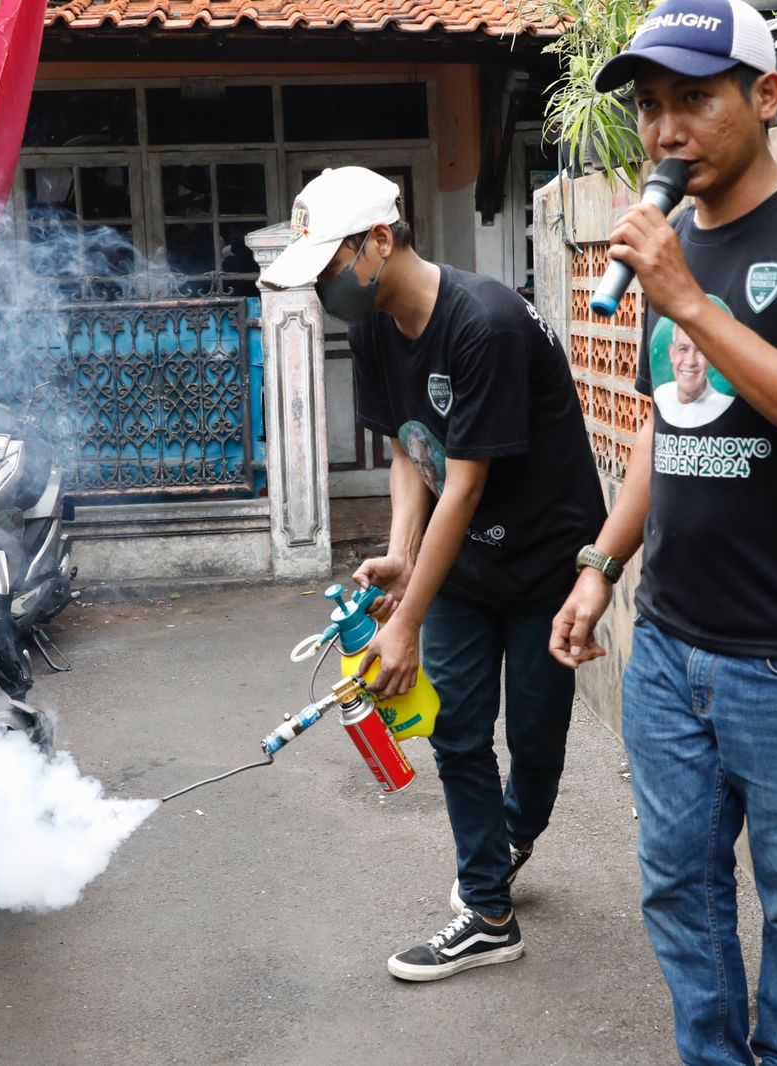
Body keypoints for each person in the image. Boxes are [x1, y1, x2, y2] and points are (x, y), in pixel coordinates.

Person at [550, 2, 777, 1060]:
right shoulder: (672, 250)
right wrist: (603, 565)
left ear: (766, 97)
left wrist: (691, 301)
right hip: (669, 647)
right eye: (650, 107)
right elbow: (671, 423)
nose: (664, 131)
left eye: (693, 99)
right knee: (678, 888)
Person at [258, 166, 606, 982]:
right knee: (457, 729)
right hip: (465, 562)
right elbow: (414, 450)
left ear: (380, 241)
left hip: (543, 558)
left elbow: (471, 481)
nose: (322, 292)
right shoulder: (379, 322)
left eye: (327, 269)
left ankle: (513, 834)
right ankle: (488, 910)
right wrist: (402, 554)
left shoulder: (483, 324)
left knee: (537, 739)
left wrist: (404, 617)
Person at [654, 318, 735, 428]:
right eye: (683, 349)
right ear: (672, 353)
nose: (690, 361)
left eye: (701, 350)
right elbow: (650, 426)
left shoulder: (725, 406)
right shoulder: (660, 395)